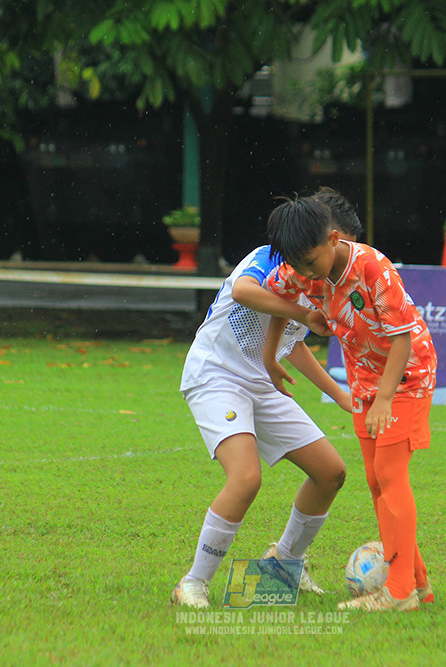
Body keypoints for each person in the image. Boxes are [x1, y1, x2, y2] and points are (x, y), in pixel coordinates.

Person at [170, 198, 362, 608]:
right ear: (326, 234)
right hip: (216, 374)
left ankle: (282, 564)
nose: (342, 258)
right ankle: (192, 584)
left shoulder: (318, 277)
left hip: (261, 381)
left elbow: (292, 344)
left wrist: (340, 395)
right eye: (341, 246)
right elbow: (243, 292)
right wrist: (301, 314)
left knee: (330, 473)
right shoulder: (268, 259)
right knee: (245, 478)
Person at [263, 195, 437, 612]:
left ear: (334, 239)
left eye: (310, 261)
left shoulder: (373, 268)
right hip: (363, 385)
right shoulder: (303, 269)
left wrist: (386, 398)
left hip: (407, 378)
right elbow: (277, 303)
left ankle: (398, 593)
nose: (305, 274)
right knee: (377, 483)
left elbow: (402, 338)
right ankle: (417, 582)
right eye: (298, 265)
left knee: (390, 476)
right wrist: (270, 355)